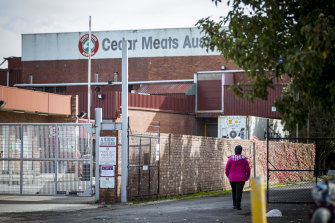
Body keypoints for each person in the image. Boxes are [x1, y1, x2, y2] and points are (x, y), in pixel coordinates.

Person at [225, 145, 250, 210]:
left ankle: (234, 205)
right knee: (239, 192)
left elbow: (227, 168)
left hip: (232, 178)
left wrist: (228, 175)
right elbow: (248, 169)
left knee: (234, 191)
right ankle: (238, 206)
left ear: (235, 151)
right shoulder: (244, 159)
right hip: (241, 178)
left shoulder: (230, 159)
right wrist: (247, 176)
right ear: (241, 151)